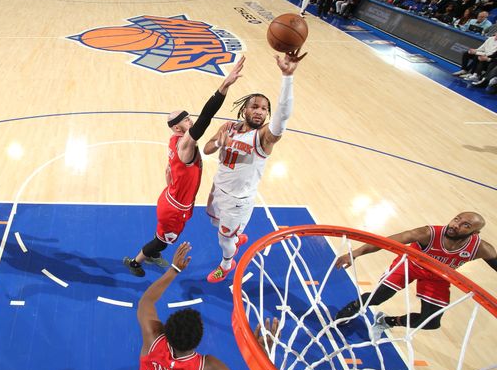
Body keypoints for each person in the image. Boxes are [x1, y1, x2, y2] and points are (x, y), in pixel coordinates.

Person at [105, 242, 277, 370]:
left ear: (165, 330)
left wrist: (174, 269)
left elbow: (146, 301)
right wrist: (265, 357)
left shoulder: (153, 338)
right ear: (198, 340)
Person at [122, 57, 247, 277]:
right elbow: (206, 118)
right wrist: (224, 86)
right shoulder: (185, 144)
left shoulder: (173, 141)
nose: (192, 121)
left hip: (172, 199)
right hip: (175, 209)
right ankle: (136, 261)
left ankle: (151, 252)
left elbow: (168, 171)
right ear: (178, 126)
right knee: (162, 242)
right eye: (187, 120)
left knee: (162, 235)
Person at [203, 50, 306, 283]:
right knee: (219, 226)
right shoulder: (228, 127)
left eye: (264, 109)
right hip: (218, 189)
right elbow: (207, 149)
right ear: (244, 109)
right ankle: (237, 235)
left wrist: (287, 77)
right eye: (255, 107)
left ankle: (227, 264)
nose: (260, 111)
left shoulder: (264, 137)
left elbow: (282, 117)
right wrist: (220, 141)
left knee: (223, 240)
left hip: (238, 200)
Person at [335, 213, 497, 337]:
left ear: (475, 233)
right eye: (456, 219)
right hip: (410, 265)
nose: (456, 225)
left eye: (465, 225)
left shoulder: (482, 248)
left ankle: (386, 321)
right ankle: (354, 306)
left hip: (437, 276)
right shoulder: (428, 233)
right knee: (378, 297)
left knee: (431, 322)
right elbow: (385, 241)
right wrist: (354, 253)